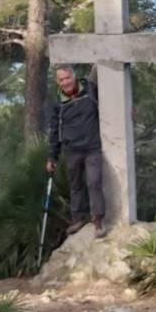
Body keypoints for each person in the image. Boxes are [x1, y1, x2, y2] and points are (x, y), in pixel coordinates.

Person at [46, 64, 106, 238]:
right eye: (62, 80)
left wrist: (129, 108)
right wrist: (52, 156)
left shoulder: (90, 90)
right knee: (75, 185)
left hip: (93, 147)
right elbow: (54, 131)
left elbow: (111, 100)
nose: (66, 82)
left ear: (74, 76)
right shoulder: (58, 103)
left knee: (94, 182)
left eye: (68, 78)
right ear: (57, 82)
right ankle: (78, 219)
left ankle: (98, 221)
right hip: (71, 150)